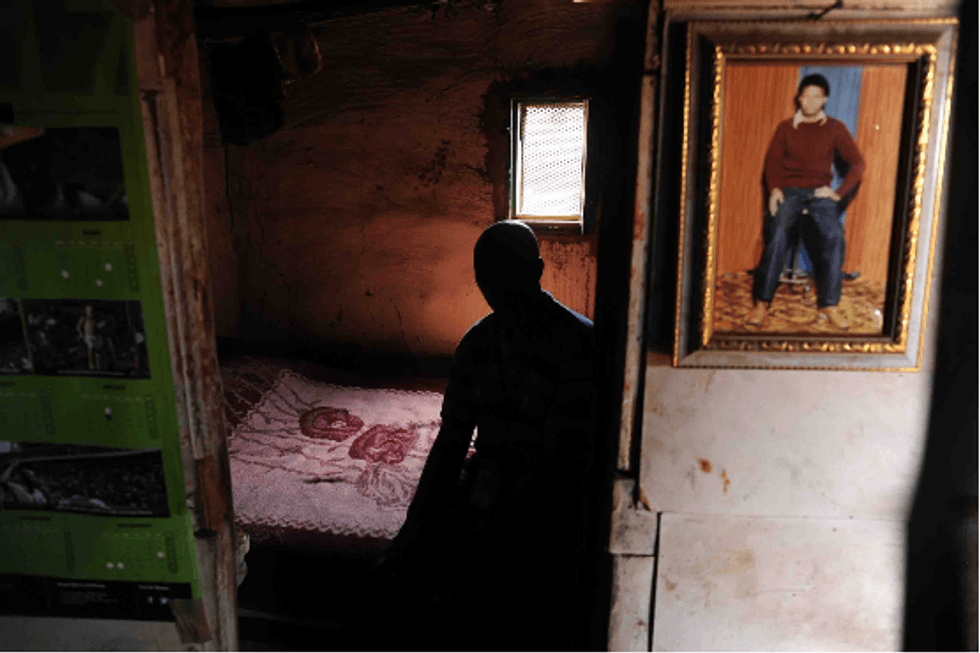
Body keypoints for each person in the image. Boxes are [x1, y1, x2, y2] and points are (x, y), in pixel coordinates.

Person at [376, 221, 595, 651]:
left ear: (536, 270)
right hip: (494, 475)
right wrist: (411, 528)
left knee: (500, 574)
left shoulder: (579, 344)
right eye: (487, 279)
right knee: (408, 566)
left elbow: (556, 462)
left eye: (507, 275)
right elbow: (451, 443)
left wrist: (484, 535)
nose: (496, 290)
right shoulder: (477, 346)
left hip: (556, 490)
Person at [747, 73, 865, 330]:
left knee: (834, 237)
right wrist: (775, 189)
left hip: (819, 192)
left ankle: (829, 304)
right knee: (777, 235)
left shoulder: (835, 128)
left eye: (816, 96)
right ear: (798, 98)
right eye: (805, 96)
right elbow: (773, 162)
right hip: (789, 190)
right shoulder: (786, 128)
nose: (810, 101)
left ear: (824, 100)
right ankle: (762, 303)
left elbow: (857, 163)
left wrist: (837, 193)